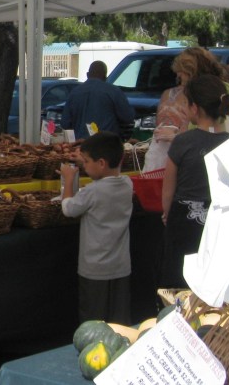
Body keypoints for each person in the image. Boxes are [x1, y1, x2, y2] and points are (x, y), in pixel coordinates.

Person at [159, 74, 229, 290]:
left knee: (180, 284)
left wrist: (166, 213)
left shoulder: (183, 142)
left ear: (194, 108)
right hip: (220, 219)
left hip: (184, 221)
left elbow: (168, 188)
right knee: (214, 281)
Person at [59, 131, 134, 325]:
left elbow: (68, 208)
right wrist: (86, 161)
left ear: (101, 163)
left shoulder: (92, 191)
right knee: (119, 321)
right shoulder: (127, 184)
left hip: (94, 269)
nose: (84, 165)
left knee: (93, 321)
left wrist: (68, 179)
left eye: (86, 161)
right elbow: (105, 177)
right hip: (120, 266)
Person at [61, 61, 134, 140]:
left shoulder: (74, 93)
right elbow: (128, 117)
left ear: (87, 75)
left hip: (81, 145)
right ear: (105, 77)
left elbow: (65, 123)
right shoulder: (114, 91)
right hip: (107, 144)